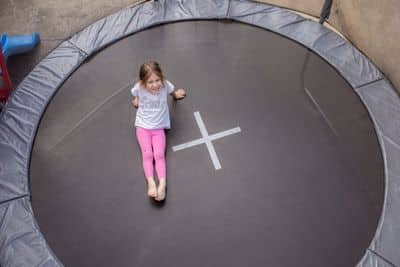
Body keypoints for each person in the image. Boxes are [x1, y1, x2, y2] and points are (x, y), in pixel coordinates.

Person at [131, 61, 186, 201]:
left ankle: (162, 184)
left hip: (158, 127)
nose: (155, 85)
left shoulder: (165, 85)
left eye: (157, 80)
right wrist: (136, 99)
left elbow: (171, 91)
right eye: (150, 82)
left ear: (162, 78)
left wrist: (175, 94)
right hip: (142, 126)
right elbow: (135, 93)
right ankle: (151, 183)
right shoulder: (138, 87)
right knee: (148, 155)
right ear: (143, 83)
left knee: (159, 155)